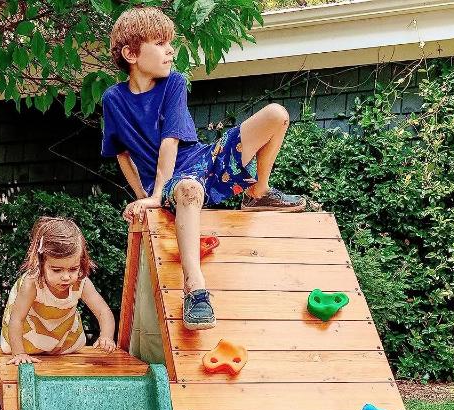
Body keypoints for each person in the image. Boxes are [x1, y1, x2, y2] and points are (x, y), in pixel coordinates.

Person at [101, 6, 307, 331]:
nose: (170, 50)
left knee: (276, 114)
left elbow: (171, 140)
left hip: (205, 161)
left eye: (170, 42)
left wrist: (152, 195)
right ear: (131, 53)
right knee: (187, 188)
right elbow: (121, 153)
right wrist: (146, 196)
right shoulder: (113, 99)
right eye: (160, 43)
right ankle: (195, 290)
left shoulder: (174, 83)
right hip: (178, 184)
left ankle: (258, 192)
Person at [0, 216, 116, 364]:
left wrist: (106, 336)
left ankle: (54, 345)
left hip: (62, 338)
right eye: (57, 270)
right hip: (26, 338)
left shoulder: (81, 282)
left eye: (73, 269)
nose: (66, 277)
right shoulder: (32, 283)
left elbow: (103, 311)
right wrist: (19, 354)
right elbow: (17, 319)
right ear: (41, 263)